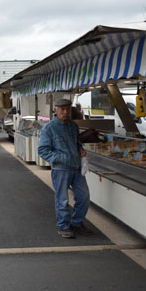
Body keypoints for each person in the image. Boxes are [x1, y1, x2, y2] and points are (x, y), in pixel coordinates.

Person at [38, 98, 93, 239]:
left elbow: (76, 143)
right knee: (62, 199)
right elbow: (43, 150)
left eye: (68, 108)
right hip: (61, 169)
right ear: (55, 110)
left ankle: (77, 222)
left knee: (84, 196)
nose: (65, 111)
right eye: (62, 109)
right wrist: (61, 158)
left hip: (76, 167)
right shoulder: (49, 128)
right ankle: (64, 226)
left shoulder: (73, 126)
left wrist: (80, 149)